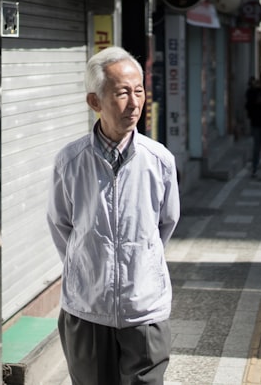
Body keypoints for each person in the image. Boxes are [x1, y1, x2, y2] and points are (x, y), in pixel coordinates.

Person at [47, 46, 181, 385]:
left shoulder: (159, 160)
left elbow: (166, 222)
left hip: (144, 308)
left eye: (139, 91)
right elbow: (61, 224)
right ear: (95, 102)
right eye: (122, 93)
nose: (135, 103)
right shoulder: (71, 160)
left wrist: (140, 262)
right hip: (87, 308)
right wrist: (91, 266)